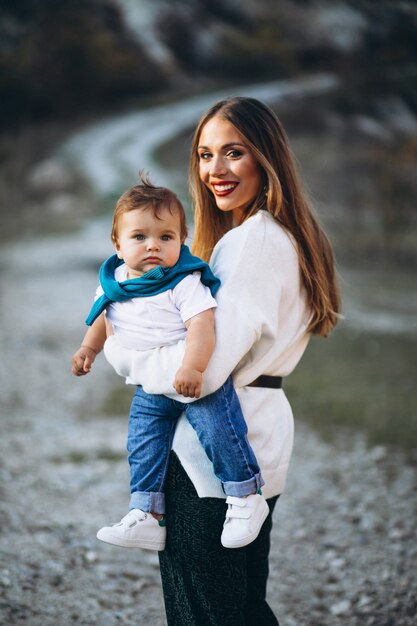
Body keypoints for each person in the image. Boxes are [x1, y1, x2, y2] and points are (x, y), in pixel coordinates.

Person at [101, 96, 341, 625]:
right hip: (261, 435)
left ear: (266, 157)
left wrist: (119, 349)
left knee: (207, 613)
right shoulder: (282, 236)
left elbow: (204, 372)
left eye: (233, 152)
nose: (216, 170)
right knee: (240, 605)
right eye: (205, 155)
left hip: (212, 455)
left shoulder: (252, 240)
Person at [72, 175, 269, 553]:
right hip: (150, 384)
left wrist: (193, 368)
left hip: (186, 375)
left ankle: (246, 495)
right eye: (139, 237)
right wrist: (88, 349)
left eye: (165, 237)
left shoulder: (182, 281)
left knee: (219, 430)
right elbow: (102, 316)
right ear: (117, 243)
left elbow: (202, 326)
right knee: (142, 440)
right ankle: (147, 513)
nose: (153, 246)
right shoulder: (113, 281)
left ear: (183, 239)